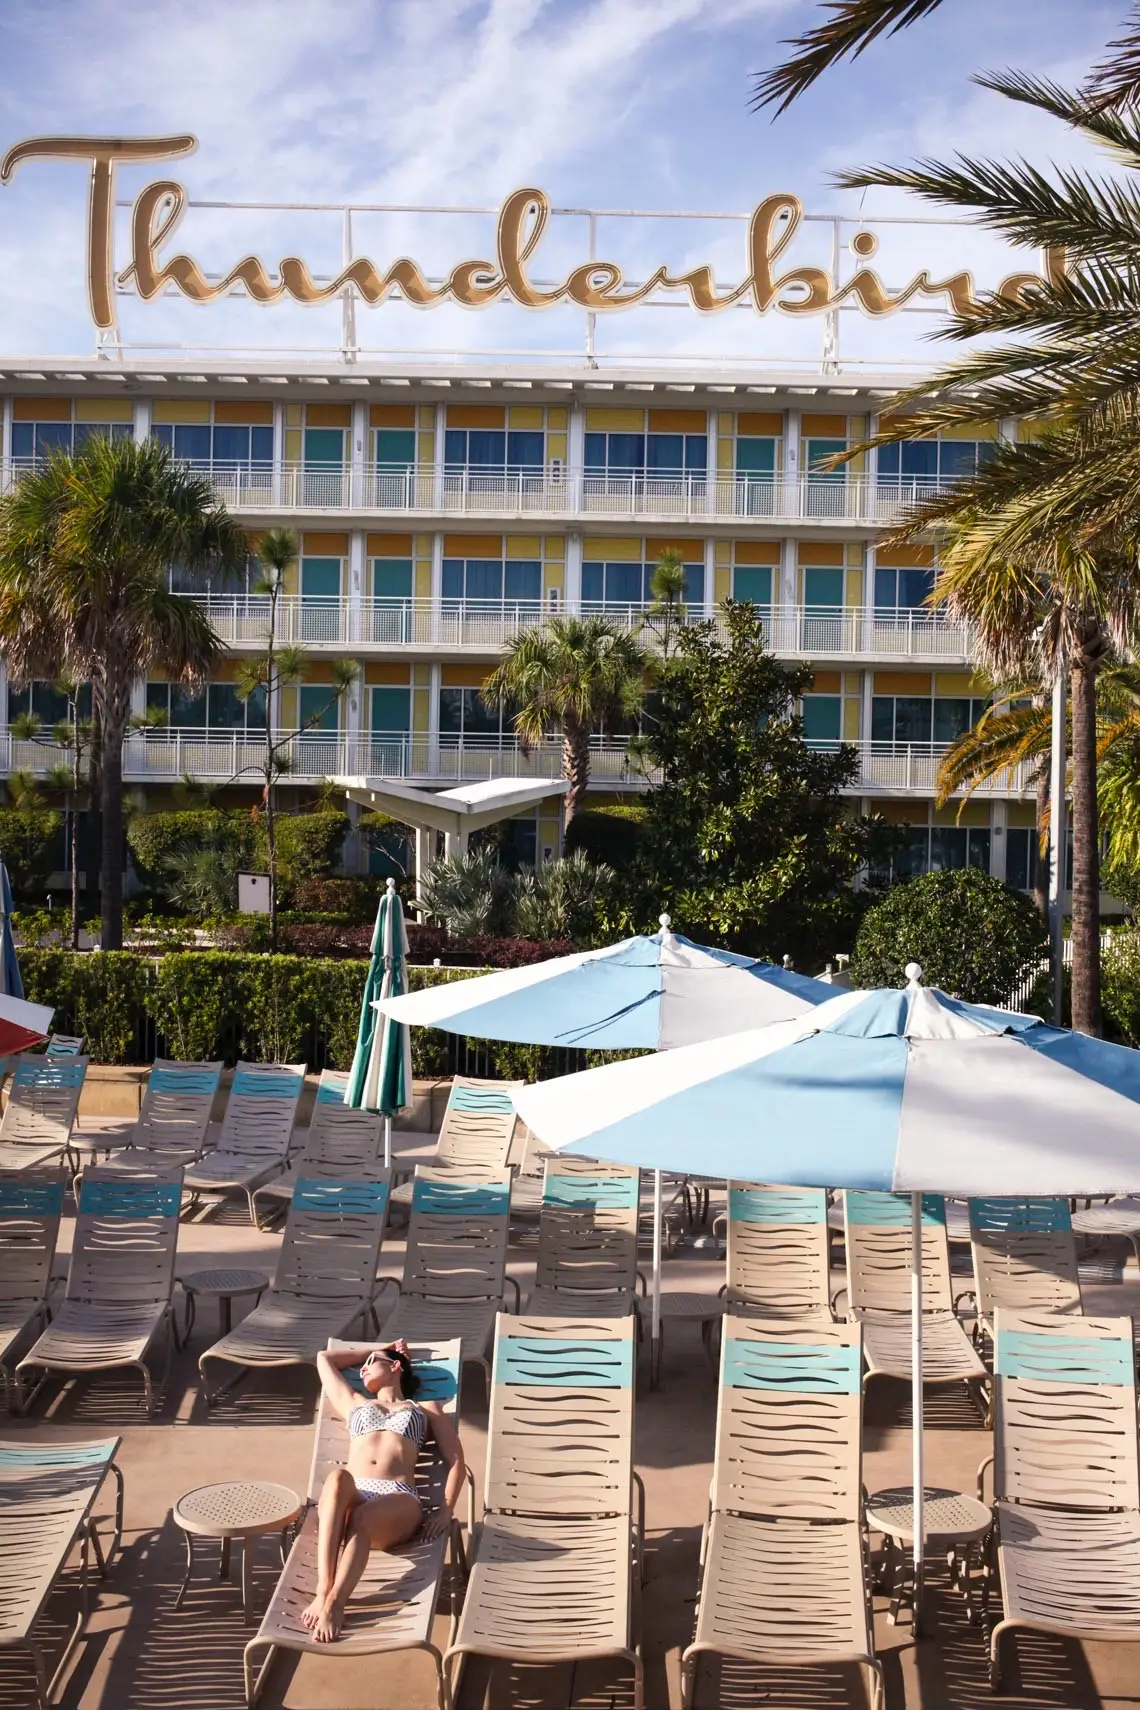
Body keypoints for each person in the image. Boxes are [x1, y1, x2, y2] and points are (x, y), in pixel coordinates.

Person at [301, 1338, 465, 1643]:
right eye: (361, 1366)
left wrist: (445, 1508)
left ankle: (336, 1604)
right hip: (355, 1491)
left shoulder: (424, 1408)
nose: (362, 1370)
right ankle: (323, 1589)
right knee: (337, 1477)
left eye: (369, 1364)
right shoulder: (355, 1402)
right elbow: (324, 1358)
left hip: (397, 1497)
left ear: (394, 1366)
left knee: (364, 1517)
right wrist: (376, 1348)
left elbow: (456, 1461)